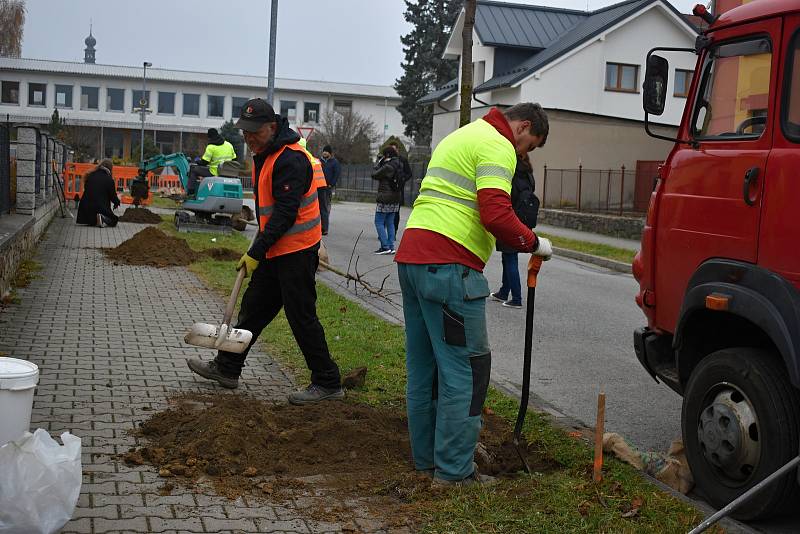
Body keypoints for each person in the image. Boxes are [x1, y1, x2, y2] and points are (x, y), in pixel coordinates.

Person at [394, 103, 553, 486]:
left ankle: (427, 461)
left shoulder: (462, 135)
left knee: (423, 368)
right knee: (466, 370)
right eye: (529, 146)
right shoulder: (498, 144)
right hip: (449, 268)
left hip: (412, 259)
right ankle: (453, 473)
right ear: (523, 127)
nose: (523, 154)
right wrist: (533, 242)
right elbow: (496, 215)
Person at [187, 98, 343, 405]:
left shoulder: (290, 159)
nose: (248, 139)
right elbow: (271, 214)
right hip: (277, 247)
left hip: (297, 250)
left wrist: (256, 252)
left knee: (301, 316)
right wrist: (260, 248)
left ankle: (328, 381)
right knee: (255, 307)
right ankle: (228, 367)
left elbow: (285, 215)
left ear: (272, 127)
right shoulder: (267, 152)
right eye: (245, 133)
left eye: (254, 132)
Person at [490, 153, 539, 309]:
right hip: (523, 220)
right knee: (508, 256)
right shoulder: (528, 175)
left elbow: (507, 195)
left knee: (510, 257)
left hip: (511, 219)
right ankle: (504, 291)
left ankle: (516, 298)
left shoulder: (512, 174)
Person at [371, 146, 403, 255]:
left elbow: (374, 174)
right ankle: (391, 246)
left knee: (378, 221)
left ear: (387, 155)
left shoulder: (387, 166)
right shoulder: (399, 164)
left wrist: (378, 162)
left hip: (385, 197)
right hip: (396, 197)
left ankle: (385, 246)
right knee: (390, 222)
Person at [187, 128, 236, 196]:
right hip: (228, 172)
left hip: (214, 172)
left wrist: (197, 161)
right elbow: (234, 159)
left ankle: (190, 192)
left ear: (209, 137)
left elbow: (204, 162)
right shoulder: (229, 145)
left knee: (193, 169)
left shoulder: (211, 147)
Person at [76, 159, 120, 228]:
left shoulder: (90, 175)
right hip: (99, 208)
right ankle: (103, 219)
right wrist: (117, 202)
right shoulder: (109, 180)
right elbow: (113, 196)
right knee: (114, 219)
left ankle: (96, 220)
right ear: (110, 168)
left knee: (92, 219)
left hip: (85, 212)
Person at [389, 141, 413, 232]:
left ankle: (394, 231)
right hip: (387, 190)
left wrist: (402, 180)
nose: (393, 151)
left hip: (398, 190)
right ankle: (384, 232)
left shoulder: (403, 160)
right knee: (386, 213)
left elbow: (409, 173)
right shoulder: (387, 160)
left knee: (396, 212)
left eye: (394, 149)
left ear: (398, 150)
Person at [320, 145, 340, 235]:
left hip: (327, 188)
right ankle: (319, 226)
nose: (325, 153)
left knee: (325, 207)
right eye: (324, 151)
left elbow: (336, 175)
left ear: (330, 153)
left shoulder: (334, 163)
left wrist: (331, 184)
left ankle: (325, 228)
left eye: (327, 151)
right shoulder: (319, 161)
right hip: (319, 187)